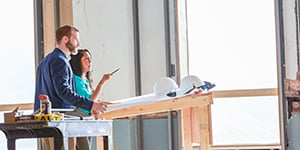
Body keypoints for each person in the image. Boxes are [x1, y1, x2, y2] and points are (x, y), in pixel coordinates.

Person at [34, 25, 107, 150]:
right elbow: (64, 91)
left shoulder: (45, 61)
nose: (78, 44)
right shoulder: (60, 61)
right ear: (65, 39)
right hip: (59, 118)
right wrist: (91, 105)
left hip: (43, 117)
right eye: (76, 39)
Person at [69, 49, 111, 149]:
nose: (90, 62)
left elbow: (93, 99)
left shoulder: (86, 80)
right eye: (86, 59)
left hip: (87, 118)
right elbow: (91, 100)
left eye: (90, 59)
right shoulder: (76, 79)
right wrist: (102, 82)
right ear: (78, 61)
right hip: (79, 119)